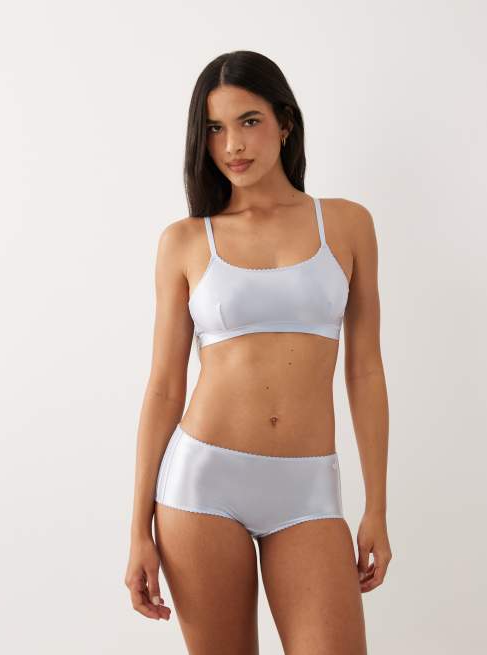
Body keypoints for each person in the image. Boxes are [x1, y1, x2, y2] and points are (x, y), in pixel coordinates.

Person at [125, 50, 391, 654]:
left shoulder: (347, 225)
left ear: (285, 123)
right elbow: (164, 386)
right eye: (214, 129)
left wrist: (376, 505)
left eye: (249, 121)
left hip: (308, 490)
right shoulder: (186, 241)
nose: (233, 145)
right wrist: (138, 529)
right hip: (202, 484)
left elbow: (366, 371)